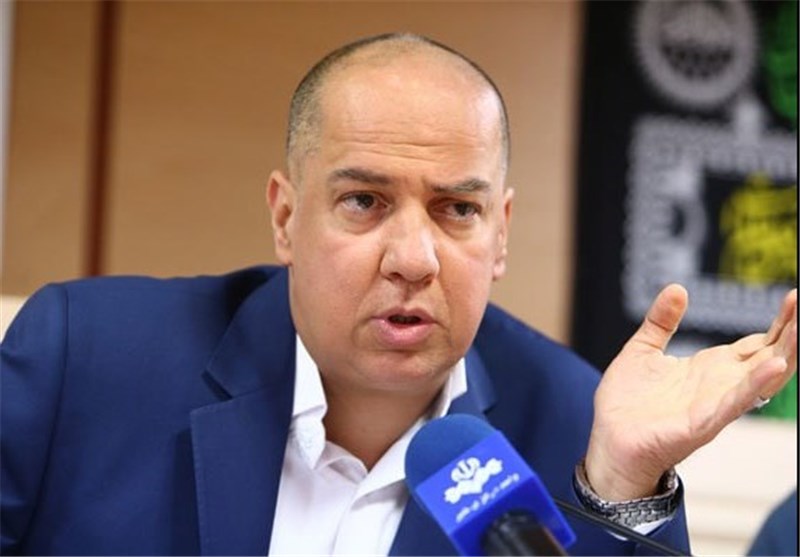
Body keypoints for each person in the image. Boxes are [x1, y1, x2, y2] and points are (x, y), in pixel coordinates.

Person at [1, 33, 796, 556]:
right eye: (364, 201)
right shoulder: (85, 361)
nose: (414, 259)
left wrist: (625, 489)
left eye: (457, 210)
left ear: (501, 234)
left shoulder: (577, 431)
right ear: (285, 216)